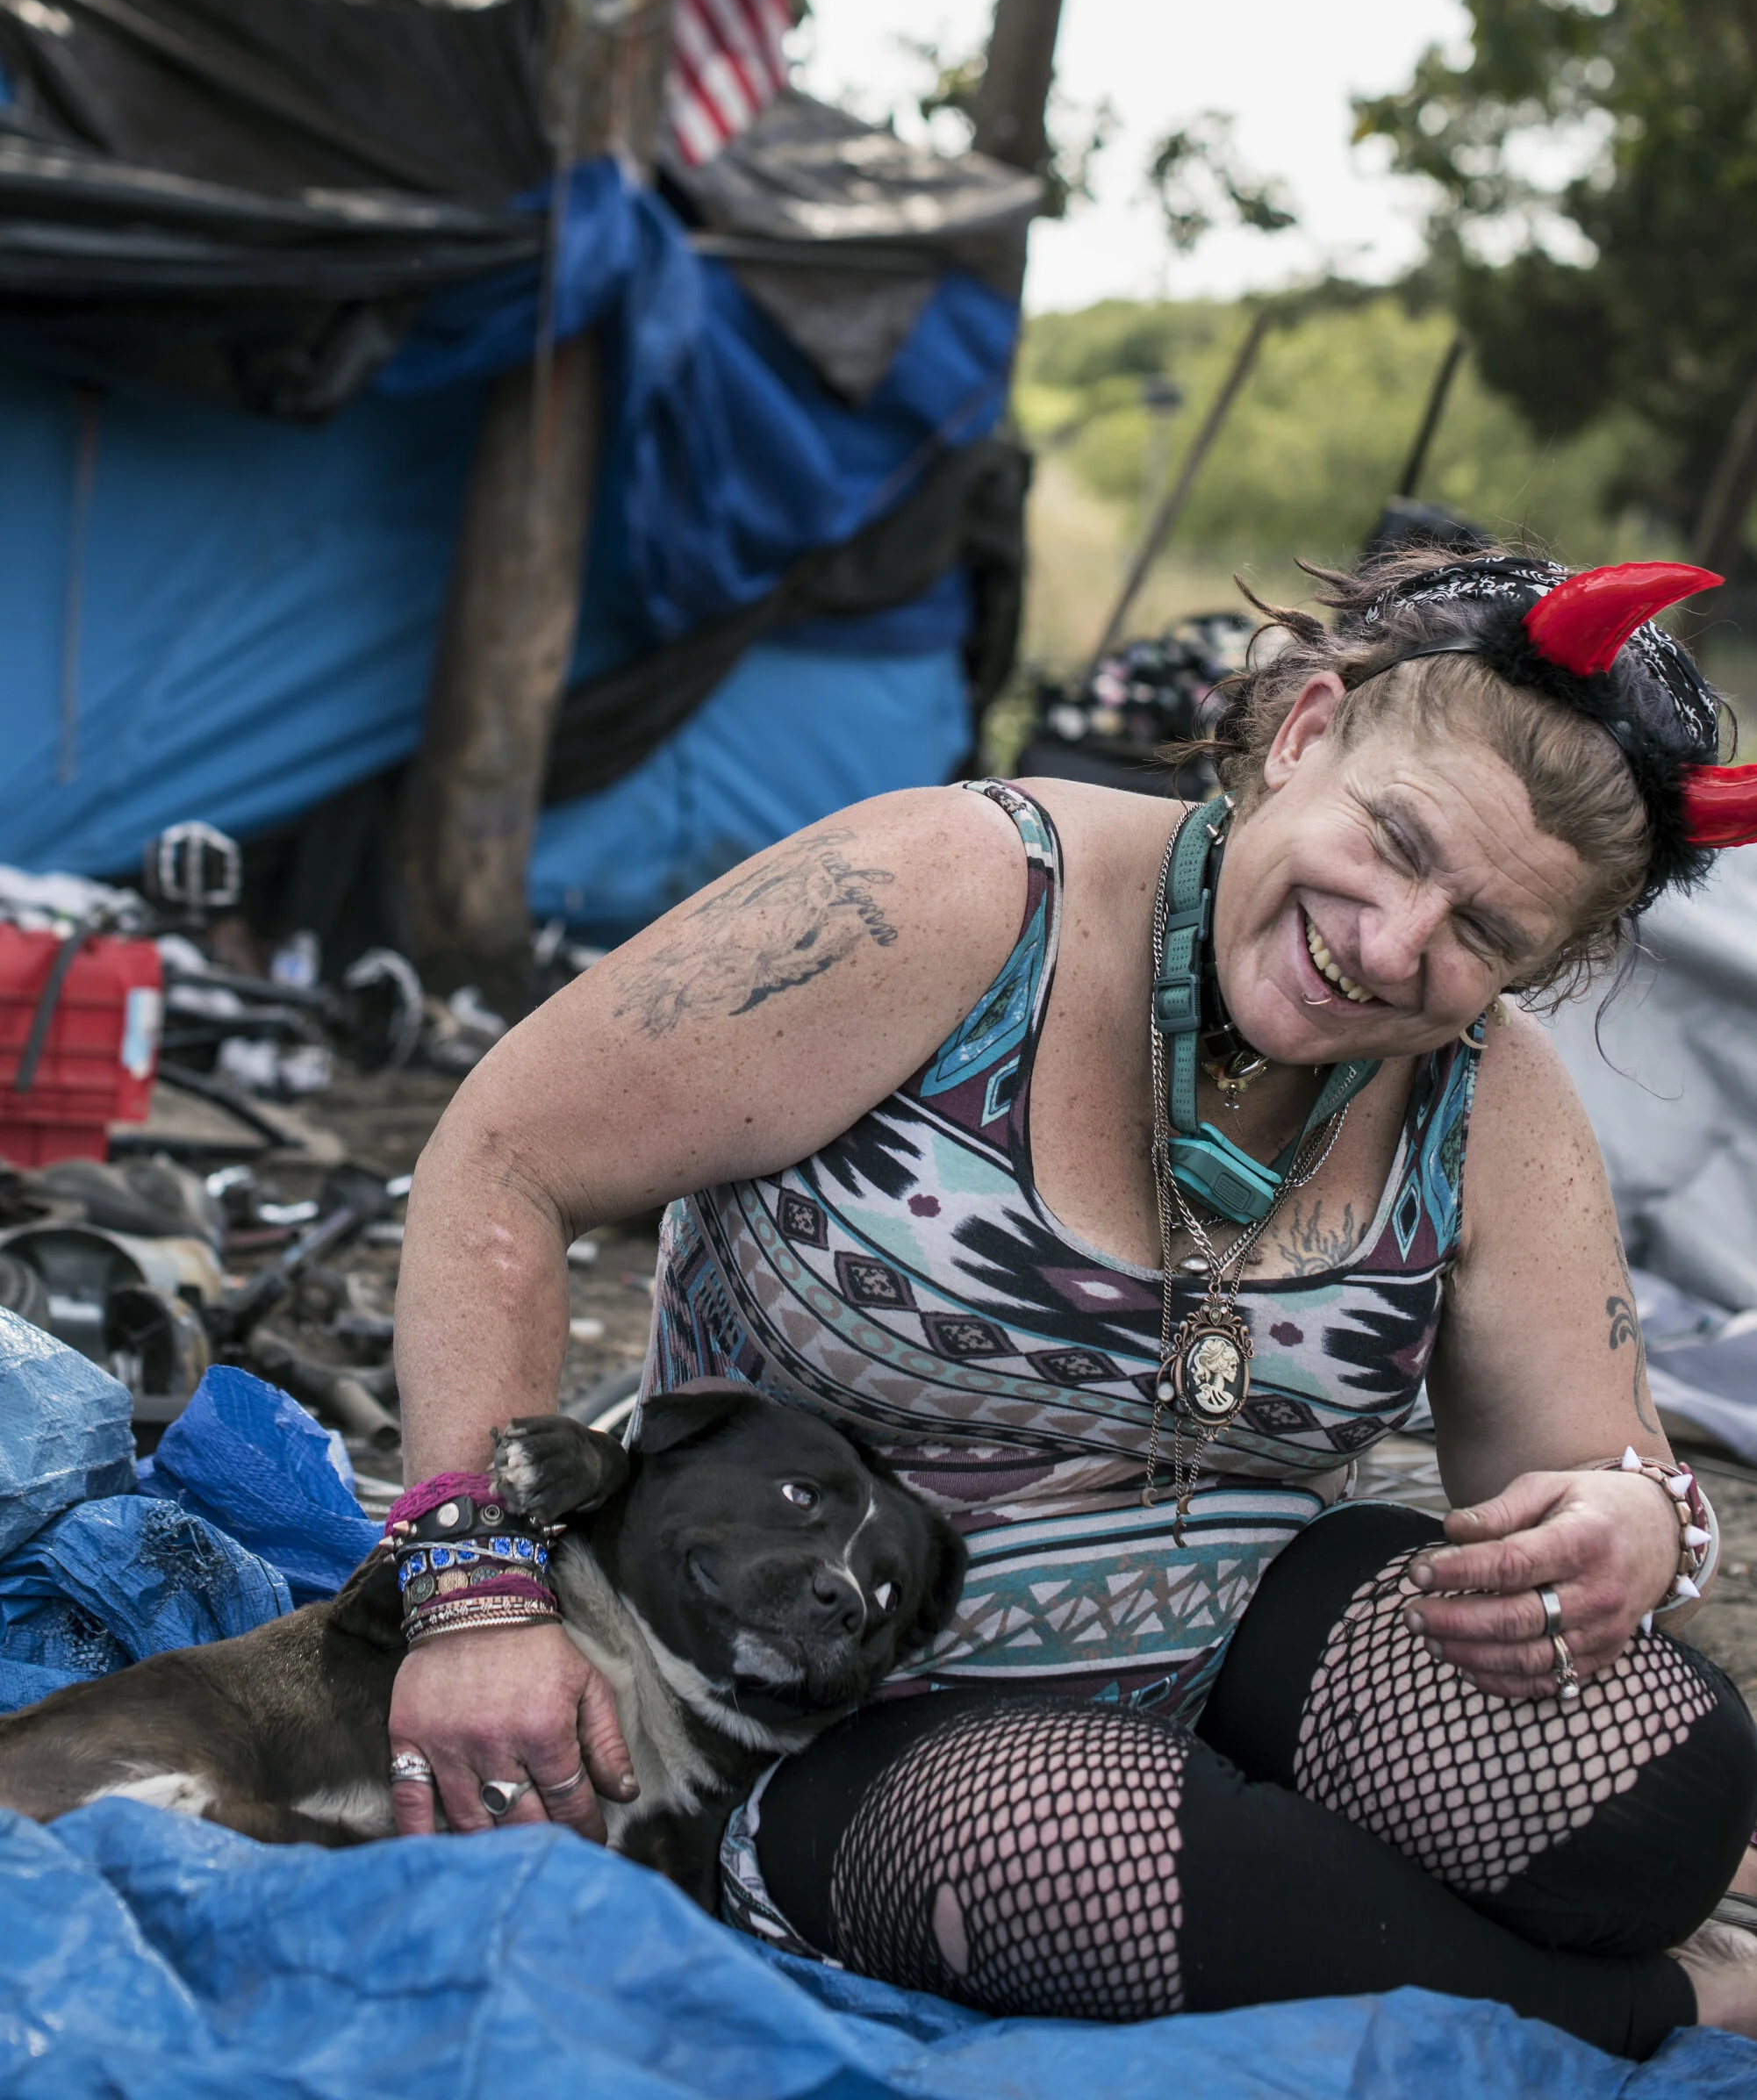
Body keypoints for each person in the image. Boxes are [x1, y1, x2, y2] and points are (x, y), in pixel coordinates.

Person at [387, 545, 1757, 2059]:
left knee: (1663, 1801)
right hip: (799, 1688)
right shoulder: (953, 895)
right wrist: (478, 1591)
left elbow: (1595, 1470)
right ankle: (1662, 2009)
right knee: (1099, 1865)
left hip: (1221, 1628)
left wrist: (1628, 1526)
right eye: (1393, 841)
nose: (1389, 946)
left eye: (1484, 935)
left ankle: (1368, 1907)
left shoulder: (1487, 1094)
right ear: (1304, 732)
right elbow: (503, 1160)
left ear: (1550, 961)